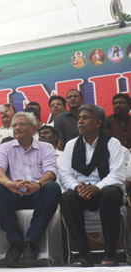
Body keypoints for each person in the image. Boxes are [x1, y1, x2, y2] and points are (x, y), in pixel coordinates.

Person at [0, 112, 60, 267]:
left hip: (37, 193)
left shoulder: (45, 147)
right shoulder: (5, 147)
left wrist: (38, 184)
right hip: (14, 193)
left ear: (33, 129)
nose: (17, 127)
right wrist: (9, 184)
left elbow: (51, 171)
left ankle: (32, 239)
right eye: (15, 125)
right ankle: (15, 241)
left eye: (22, 124)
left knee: (52, 188)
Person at [59, 104, 125, 267]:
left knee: (111, 194)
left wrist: (97, 188)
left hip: (104, 190)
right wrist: (77, 187)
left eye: (85, 118)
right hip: (80, 190)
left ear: (98, 123)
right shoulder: (71, 145)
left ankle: (110, 254)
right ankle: (83, 254)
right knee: (67, 197)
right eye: (79, 118)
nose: (80, 121)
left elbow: (117, 174)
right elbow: (65, 174)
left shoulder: (113, 143)